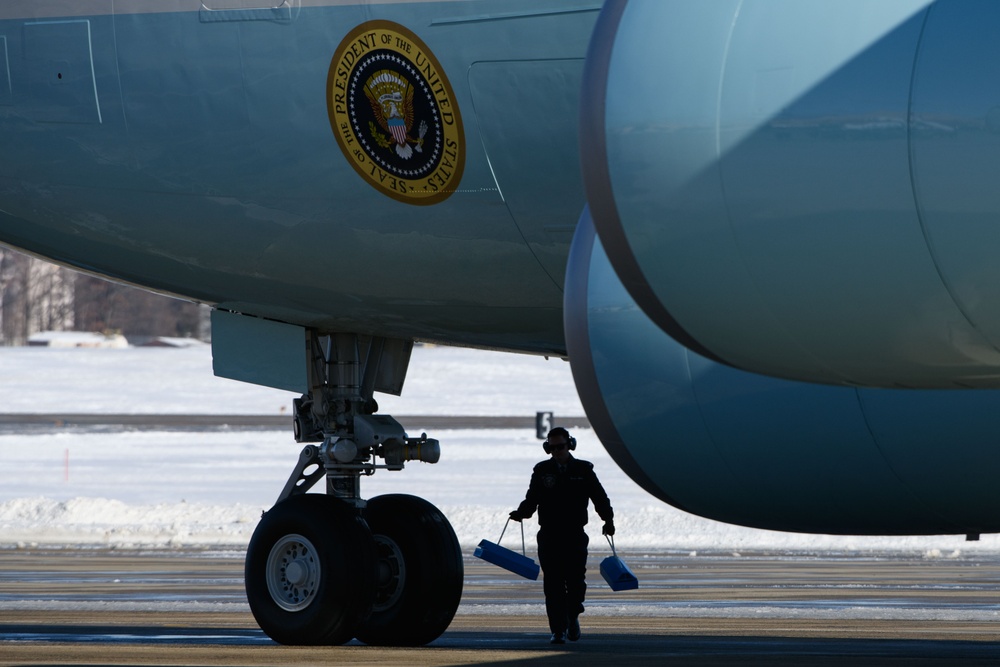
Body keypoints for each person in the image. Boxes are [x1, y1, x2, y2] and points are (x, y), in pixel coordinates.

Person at [508, 427, 614, 644]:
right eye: (553, 447)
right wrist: (522, 513)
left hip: (574, 535)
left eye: (561, 446)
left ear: (570, 445)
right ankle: (558, 630)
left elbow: (599, 497)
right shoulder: (542, 471)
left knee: (575, 582)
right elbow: (532, 498)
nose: (557, 451)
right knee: (553, 585)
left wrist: (608, 520)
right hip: (549, 536)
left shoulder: (584, 470)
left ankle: (572, 614)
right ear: (548, 447)